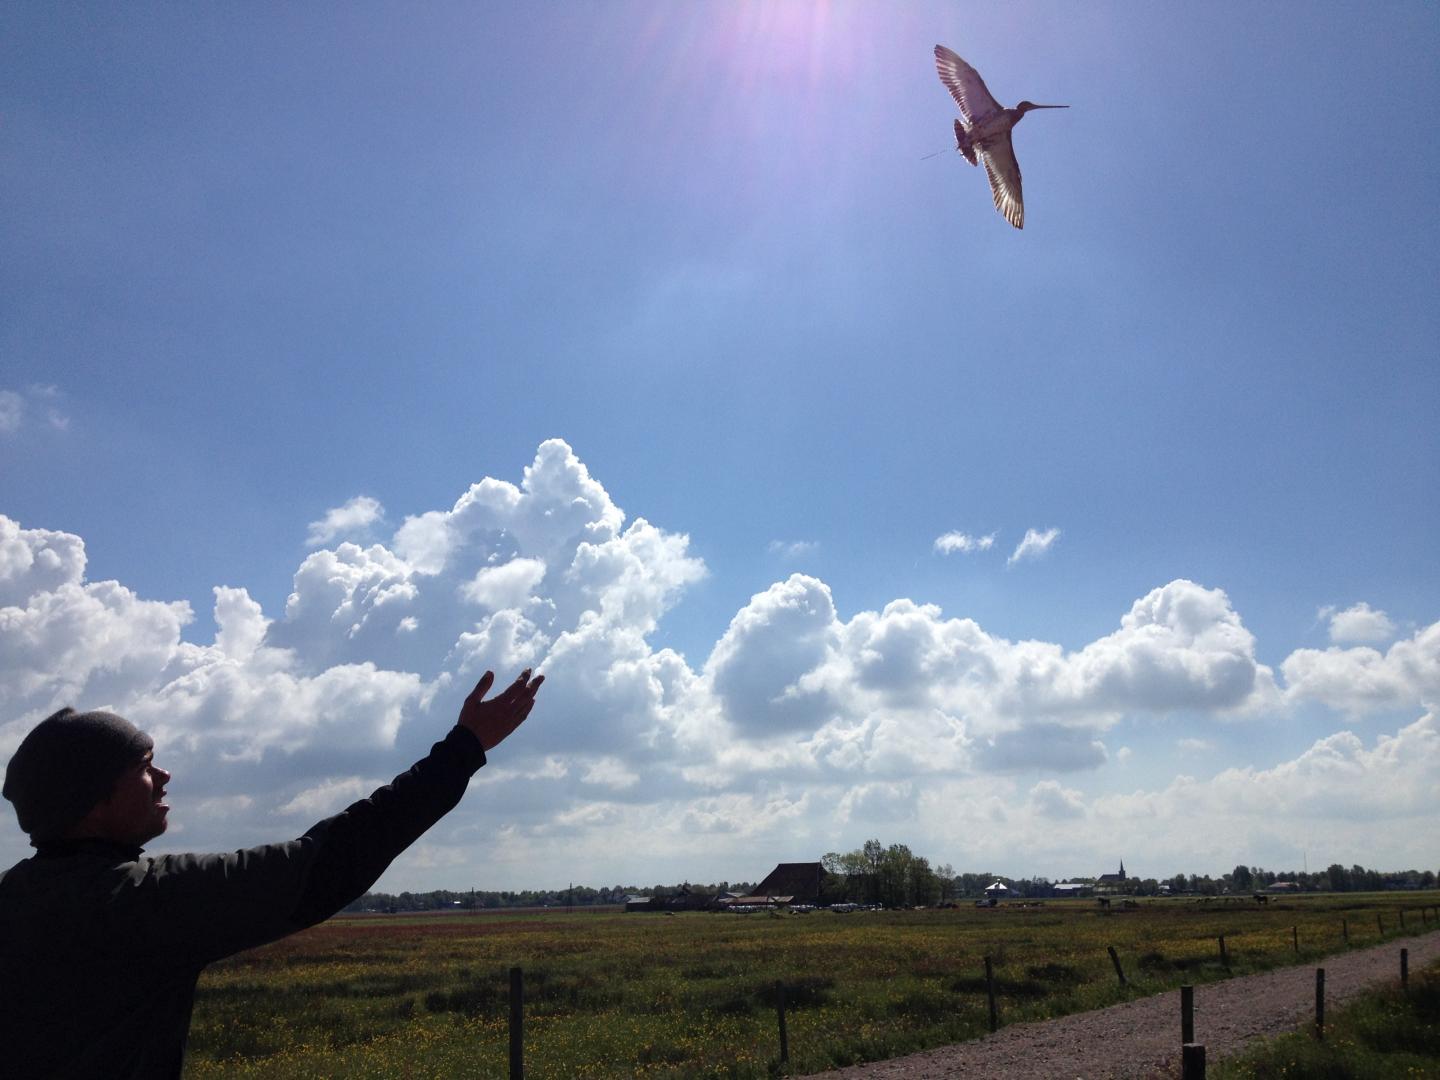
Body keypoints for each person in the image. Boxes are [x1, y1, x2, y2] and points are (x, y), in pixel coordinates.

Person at [0, 668, 543, 1079]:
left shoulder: (16, 898)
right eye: (143, 767)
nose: (163, 776)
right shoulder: (140, 903)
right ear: (93, 800)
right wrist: (464, 749)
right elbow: (327, 863)